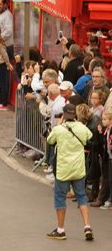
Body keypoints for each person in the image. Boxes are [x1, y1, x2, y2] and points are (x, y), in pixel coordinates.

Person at [45, 103, 94, 241]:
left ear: (64, 115)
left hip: (63, 169)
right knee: (81, 197)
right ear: (75, 115)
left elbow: (50, 140)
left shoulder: (59, 129)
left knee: (60, 198)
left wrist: (60, 123)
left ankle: (61, 230)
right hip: (78, 168)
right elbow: (88, 137)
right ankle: (87, 227)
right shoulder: (82, 127)